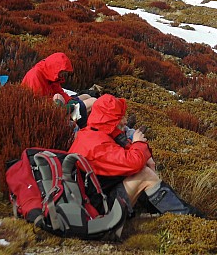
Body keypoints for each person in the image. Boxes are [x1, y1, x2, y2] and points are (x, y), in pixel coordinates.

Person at [68, 94, 198, 217]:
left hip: (95, 197)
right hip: (97, 210)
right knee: (144, 174)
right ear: (109, 121)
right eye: (120, 118)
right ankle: (185, 215)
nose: (125, 121)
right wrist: (139, 143)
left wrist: (144, 154)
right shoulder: (97, 145)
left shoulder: (93, 133)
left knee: (142, 170)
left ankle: (171, 212)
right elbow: (133, 162)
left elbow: (125, 158)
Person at [21, 52, 96, 128]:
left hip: (55, 103)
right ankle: (85, 126)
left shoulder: (50, 73)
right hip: (46, 111)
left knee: (87, 96)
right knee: (93, 101)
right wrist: (65, 108)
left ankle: (82, 118)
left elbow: (58, 91)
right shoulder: (35, 76)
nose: (62, 75)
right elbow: (38, 102)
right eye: (61, 72)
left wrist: (69, 100)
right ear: (56, 68)